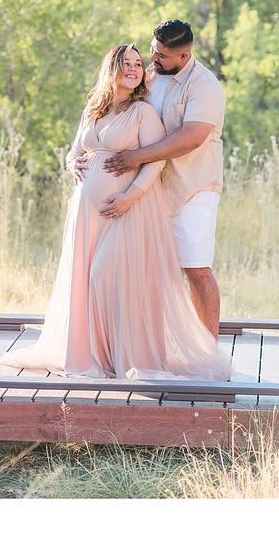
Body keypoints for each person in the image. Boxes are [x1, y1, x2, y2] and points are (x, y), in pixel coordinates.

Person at [0, 44, 230, 381]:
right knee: (86, 280)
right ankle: (97, 358)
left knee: (103, 275)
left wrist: (128, 197)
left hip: (126, 209)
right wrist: (72, 164)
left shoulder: (144, 112)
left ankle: (127, 355)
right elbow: (75, 150)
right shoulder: (93, 110)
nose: (136, 68)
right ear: (112, 69)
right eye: (128, 63)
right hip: (87, 214)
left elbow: (155, 160)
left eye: (139, 63)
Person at [94, 19, 226, 337]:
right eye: (153, 51)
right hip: (149, 189)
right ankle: (154, 345)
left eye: (162, 56)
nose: (154, 59)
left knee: (196, 269)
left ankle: (208, 350)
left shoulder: (203, 85)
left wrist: (137, 157)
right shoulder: (151, 77)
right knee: (147, 269)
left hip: (191, 188)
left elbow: (191, 137)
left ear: (183, 55)